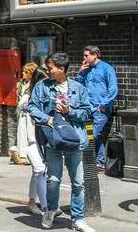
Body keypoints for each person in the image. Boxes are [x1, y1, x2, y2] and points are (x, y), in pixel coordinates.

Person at [28, 52, 94, 232]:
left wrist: (69, 111)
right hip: (53, 139)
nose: (47, 71)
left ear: (62, 69)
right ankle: (50, 210)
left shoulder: (78, 88)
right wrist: (46, 119)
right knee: (53, 179)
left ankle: (78, 219)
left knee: (78, 182)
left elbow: (87, 112)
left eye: (50, 68)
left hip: (74, 139)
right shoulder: (42, 87)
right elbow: (32, 107)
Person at [76, 46, 117, 170]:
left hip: (100, 109)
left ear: (95, 55)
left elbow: (113, 89)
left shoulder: (107, 68)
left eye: (86, 55)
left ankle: (85, 161)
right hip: (88, 107)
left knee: (91, 135)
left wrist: (103, 105)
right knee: (95, 135)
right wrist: (80, 73)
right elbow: (79, 87)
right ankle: (99, 162)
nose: (84, 58)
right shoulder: (86, 69)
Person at [17, 63, 46, 215]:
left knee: (38, 171)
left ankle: (34, 201)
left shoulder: (33, 92)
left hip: (39, 137)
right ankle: (44, 205)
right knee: (39, 170)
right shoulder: (29, 94)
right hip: (33, 137)